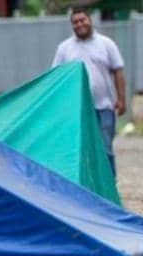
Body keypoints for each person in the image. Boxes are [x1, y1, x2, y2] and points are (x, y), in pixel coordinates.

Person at [52, 7, 126, 175]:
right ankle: (87, 188)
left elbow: (118, 71)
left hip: (104, 106)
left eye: (82, 20)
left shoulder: (106, 44)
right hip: (76, 109)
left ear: (90, 20)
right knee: (81, 148)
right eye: (75, 22)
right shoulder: (64, 48)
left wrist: (121, 99)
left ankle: (109, 187)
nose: (79, 24)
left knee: (105, 147)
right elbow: (57, 76)